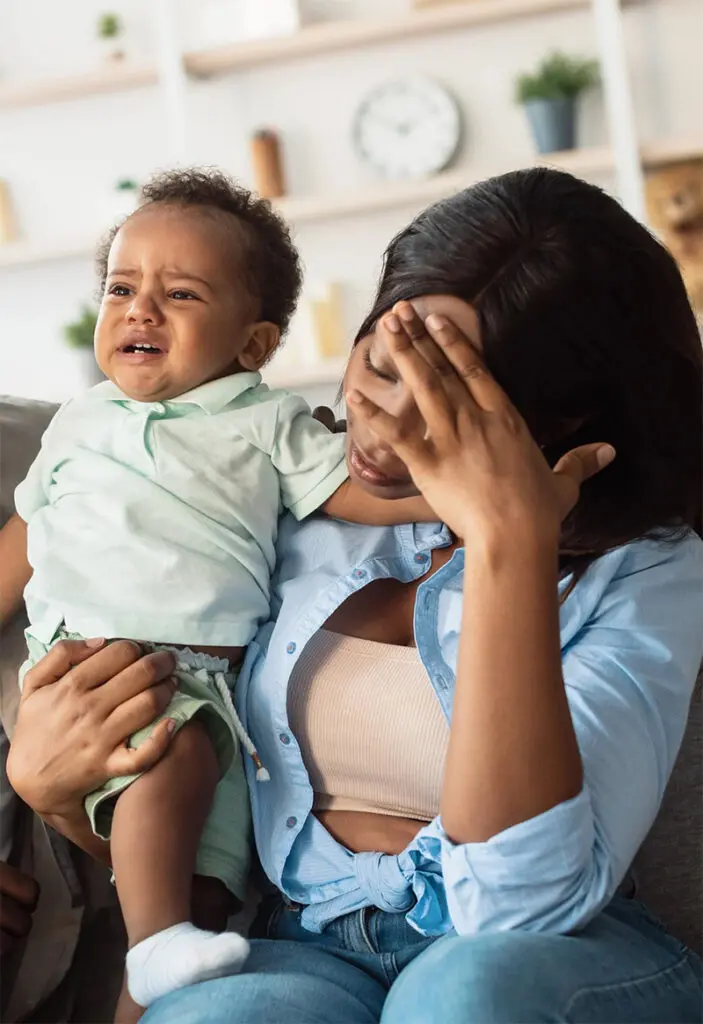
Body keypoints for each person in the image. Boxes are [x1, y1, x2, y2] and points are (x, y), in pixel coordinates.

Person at [7, 167, 703, 1023]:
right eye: (376, 364)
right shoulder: (277, 493)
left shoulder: (645, 568)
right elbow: (195, 817)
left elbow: (519, 907)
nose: (378, 426)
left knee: (459, 995)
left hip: (548, 957)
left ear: (554, 424)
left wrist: (506, 544)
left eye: (445, 401)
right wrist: (55, 789)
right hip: (307, 944)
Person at [0, 169, 430, 1017]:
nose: (140, 310)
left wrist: (464, 494)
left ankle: (156, 969)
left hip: (209, 687)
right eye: (122, 287)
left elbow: (353, 493)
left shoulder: (266, 421)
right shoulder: (79, 424)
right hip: (87, 668)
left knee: (206, 908)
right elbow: (23, 545)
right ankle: (156, 946)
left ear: (255, 343)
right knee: (176, 774)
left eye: (181, 293)